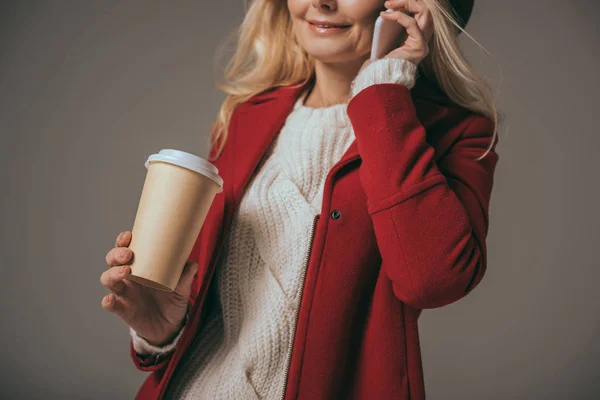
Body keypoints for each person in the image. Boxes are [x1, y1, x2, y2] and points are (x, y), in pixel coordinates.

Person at [100, 0, 500, 398]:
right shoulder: (246, 118)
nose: (321, 2)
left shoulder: (457, 134)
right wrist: (162, 330)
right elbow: (213, 304)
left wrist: (382, 91)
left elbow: (431, 282)